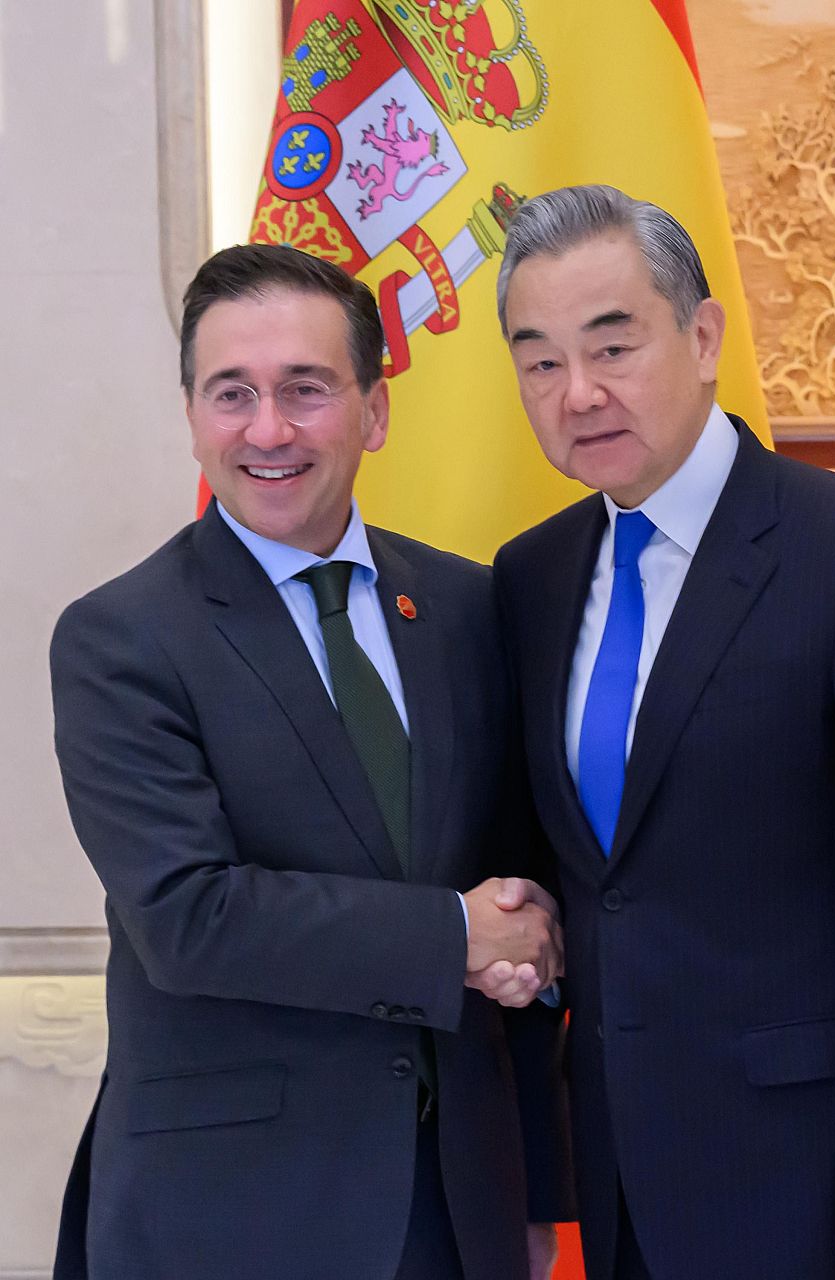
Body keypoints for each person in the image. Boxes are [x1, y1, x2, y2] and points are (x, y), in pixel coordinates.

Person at [491, 184, 835, 1280]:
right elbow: (562, 888)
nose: (578, 393)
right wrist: (537, 1176)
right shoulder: (530, 580)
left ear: (704, 333)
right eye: (540, 362)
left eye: (612, 345)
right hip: (621, 1174)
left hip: (811, 1180)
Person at [49, 244, 573, 1280]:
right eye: (230, 392)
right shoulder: (120, 637)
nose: (268, 428)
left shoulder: (474, 609)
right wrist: (460, 932)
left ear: (374, 413)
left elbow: (522, 880)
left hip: (454, 1203)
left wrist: (532, 1184)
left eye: (306, 388)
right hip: (231, 1210)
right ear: (193, 414)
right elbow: (188, 919)